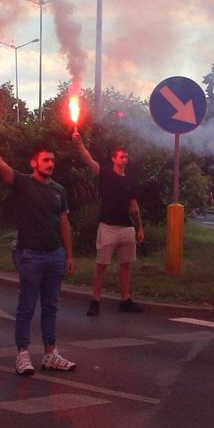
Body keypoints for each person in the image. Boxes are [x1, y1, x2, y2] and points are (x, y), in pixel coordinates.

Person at [0, 129, 76, 375]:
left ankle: (50, 353)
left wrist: (68, 254)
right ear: (34, 163)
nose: (50, 164)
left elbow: (64, 223)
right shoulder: (23, 183)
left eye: (52, 160)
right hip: (31, 256)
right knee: (26, 306)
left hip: (54, 256)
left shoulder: (59, 190)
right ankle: (23, 354)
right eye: (46, 160)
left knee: (51, 306)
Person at [73, 133, 145, 315]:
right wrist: (79, 143)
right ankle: (95, 301)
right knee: (101, 265)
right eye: (121, 156)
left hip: (127, 228)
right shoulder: (105, 173)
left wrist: (139, 227)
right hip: (108, 227)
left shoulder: (130, 181)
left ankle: (125, 300)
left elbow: (134, 207)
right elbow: (88, 159)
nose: (125, 159)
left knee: (126, 265)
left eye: (126, 156)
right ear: (114, 158)